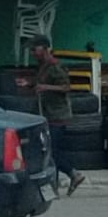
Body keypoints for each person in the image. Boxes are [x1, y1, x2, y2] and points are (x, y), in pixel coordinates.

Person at [31, 35, 85, 196]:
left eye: (35, 49)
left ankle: (73, 174)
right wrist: (30, 85)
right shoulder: (43, 66)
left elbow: (66, 87)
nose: (33, 53)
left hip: (57, 115)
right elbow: (41, 85)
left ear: (45, 49)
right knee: (50, 150)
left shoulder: (55, 66)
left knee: (51, 152)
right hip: (47, 114)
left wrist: (45, 87)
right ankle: (56, 185)